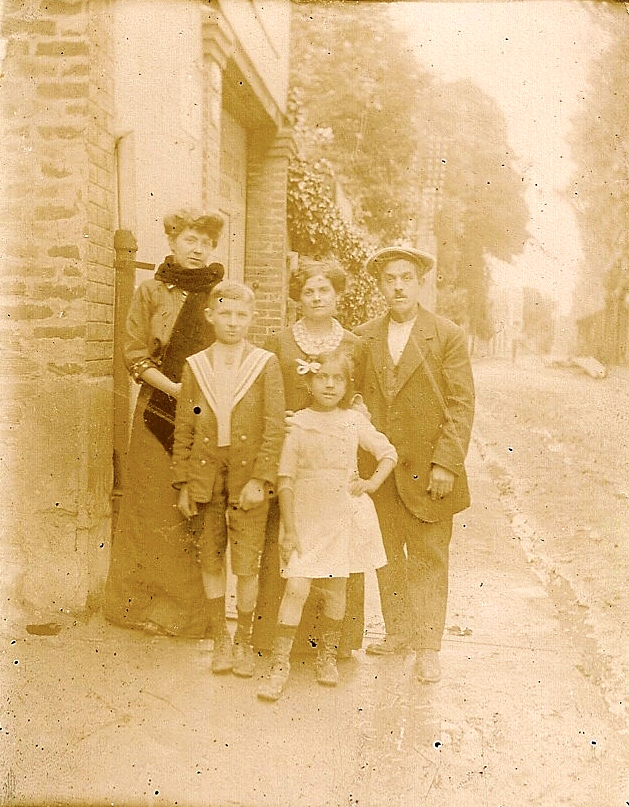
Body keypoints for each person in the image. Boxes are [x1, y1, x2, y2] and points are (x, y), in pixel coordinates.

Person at [353, 246, 475, 684]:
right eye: (390, 279)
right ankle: (399, 632)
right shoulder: (363, 336)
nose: (398, 286)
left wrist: (446, 463)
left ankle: (428, 648)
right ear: (380, 285)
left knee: (427, 557)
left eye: (406, 277)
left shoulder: (446, 335)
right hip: (381, 470)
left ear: (420, 281)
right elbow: (350, 394)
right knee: (387, 555)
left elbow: (461, 405)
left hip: (431, 472)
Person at [104, 208, 225, 637]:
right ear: (172, 241)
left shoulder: (220, 295)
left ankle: (186, 616)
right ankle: (137, 608)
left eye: (206, 242)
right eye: (189, 238)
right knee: (150, 505)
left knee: (191, 508)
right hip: (158, 406)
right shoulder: (150, 292)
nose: (197, 248)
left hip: (207, 414)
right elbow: (135, 356)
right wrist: (177, 390)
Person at [257, 350, 397, 701]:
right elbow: (286, 478)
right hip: (305, 513)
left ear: (347, 384)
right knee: (297, 587)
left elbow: (388, 453)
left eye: (338, 379)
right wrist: (288, 528)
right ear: (310, 381)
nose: (330, 385)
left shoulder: (353, 420)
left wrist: (371, 483)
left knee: (336, 589)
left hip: (342, 514)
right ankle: (279, 664)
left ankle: (327, 655)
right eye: (323, 378)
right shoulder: (299, 423)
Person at [172, 281, 285, 677]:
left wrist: (262, 477)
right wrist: (184, 482)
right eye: (225, 313)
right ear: (210, 315)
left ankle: (245, 640)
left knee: (247, 561)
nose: (233, 322)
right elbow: (184, 426)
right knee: (210, 555)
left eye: (241, 315)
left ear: (251, 318)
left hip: (248, 478)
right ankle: (220, 636)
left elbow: (274, 427)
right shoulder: (196, 365)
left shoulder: (264, 363)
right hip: (205, 477)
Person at [253, 259, 365, 657]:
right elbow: (266, 394)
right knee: (289, 543)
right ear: (298, 298)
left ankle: (331, 647)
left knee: (335, 553)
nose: (317, 298)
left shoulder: (353, 345)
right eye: (308, 291)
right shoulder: (279, 342)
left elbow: (359, 399)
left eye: (324, 291)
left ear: (337, 295)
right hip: (292, 456)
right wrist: (279, 416)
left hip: (332, 462)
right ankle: (276, 645)